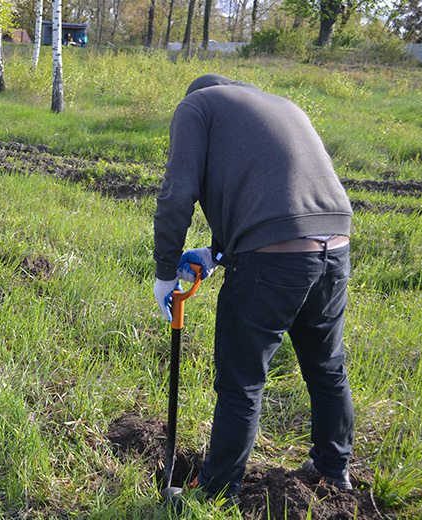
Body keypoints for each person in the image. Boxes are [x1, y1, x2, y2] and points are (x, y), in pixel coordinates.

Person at [153, 74, 355, 506]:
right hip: (335, 243)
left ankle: (215, 491)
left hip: (273, 258)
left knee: (241, 380)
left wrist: (165, 271)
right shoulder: (278, 103)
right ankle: (332, 472)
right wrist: (217, 252)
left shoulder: (196, 107)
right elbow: (273, 190)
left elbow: (177, 193)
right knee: (327, 367)